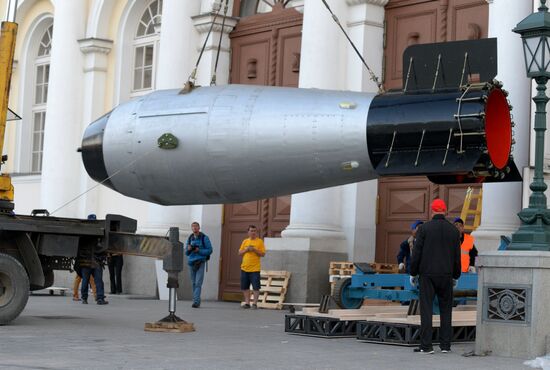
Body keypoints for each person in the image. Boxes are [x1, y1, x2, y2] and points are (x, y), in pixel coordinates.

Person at [410, 199, 461, 354]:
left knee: (426, 309)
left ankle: (426, 346)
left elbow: (417, 253)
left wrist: (413, 272)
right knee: (446, 310)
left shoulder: (424, 229)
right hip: (446, 275)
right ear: (445, 211)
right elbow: (456, 256)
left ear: (432, 211)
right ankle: (445, 345)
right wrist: (456, 275)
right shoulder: (453, 231)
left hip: (427, 275)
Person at [79, 214, 108, 305]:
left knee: (86, 280)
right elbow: (102, 247)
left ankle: (84, 298)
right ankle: (99, 298)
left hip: (87, 262)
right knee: (98, 281)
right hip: (95, 262)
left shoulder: (83, 233)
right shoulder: (99, 232)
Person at [185, 222, 213, 308]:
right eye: (193, 227)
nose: (194, 228)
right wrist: (189, 249)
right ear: (191, 228)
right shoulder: (190, 238)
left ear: (199, 227)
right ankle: (196, 300)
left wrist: (199, 250)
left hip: (200, 262)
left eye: (196, 226)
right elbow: (186, 252)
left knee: (198, 283)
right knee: (193, 283)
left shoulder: (204, 238)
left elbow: (210, 250)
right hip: (191, 263)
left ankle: (196, 302)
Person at [239, 225, 266, 309]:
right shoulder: (245, 241)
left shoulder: (259, 242)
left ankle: (254, 303)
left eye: (254, 231)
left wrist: (254, 250)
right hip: (244, 267)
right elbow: (239, 253)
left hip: (255, 268)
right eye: (251, 231)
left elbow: (263, 254)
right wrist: (246, 250)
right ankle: (247, 303)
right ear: (248, 232)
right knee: (245, 287)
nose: (253, 232)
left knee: (256, 287)